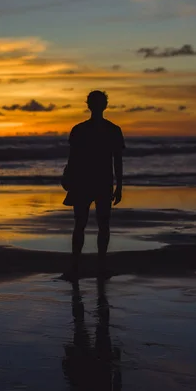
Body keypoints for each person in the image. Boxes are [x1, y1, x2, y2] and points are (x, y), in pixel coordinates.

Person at [62, 90, 125, 278]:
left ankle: (82, 267)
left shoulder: (82, 130)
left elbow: (117, 160)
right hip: (93, 182)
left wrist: (119, 185)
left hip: (91, 182)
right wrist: (119, 185)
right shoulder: (110, 130)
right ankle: (94, 267)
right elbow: (73, 159)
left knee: (87, 224)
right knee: (94, 225)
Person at [62, 279, 123, 391]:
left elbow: (73, 387)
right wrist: (117, 364)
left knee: (83, 326)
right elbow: (117, 388)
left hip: (87, 367)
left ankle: (84, 289)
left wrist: (68, 364)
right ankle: (98, 291)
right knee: (96, 328)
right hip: (98, 366)